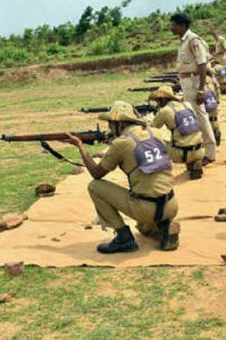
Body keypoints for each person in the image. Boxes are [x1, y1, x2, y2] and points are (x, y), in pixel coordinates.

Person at [65, 101, 180, 252]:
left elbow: (96, 173)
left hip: (145, 208)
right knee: (144, 227)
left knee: (95, 186)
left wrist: (80, 146)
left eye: (111, 124)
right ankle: (165, 224)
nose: (109, 128)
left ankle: (123, 238)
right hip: (171, 204)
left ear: (119, 124)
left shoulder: (121, 143)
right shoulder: (155, 132)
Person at [170, 13, 217, 165]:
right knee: (197, 118)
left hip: (194, 82)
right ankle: (204, 149)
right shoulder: (184, 41)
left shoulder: (193, 40)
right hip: (187, 81)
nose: (171, 27)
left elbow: (202, 64)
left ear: (182, 25)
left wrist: (201, 89)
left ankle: (210, 153)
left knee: (201, 117)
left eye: (173, 24)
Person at [149, 86, 205, 180]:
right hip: (200, 149)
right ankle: (194, 162)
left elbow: (152, 128)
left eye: (158, 101)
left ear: (162, 100)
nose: (157, 104)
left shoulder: (165, 111)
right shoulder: (187, 105)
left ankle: (158, 174)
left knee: (155, 142)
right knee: (187, 136)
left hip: (182, 154)